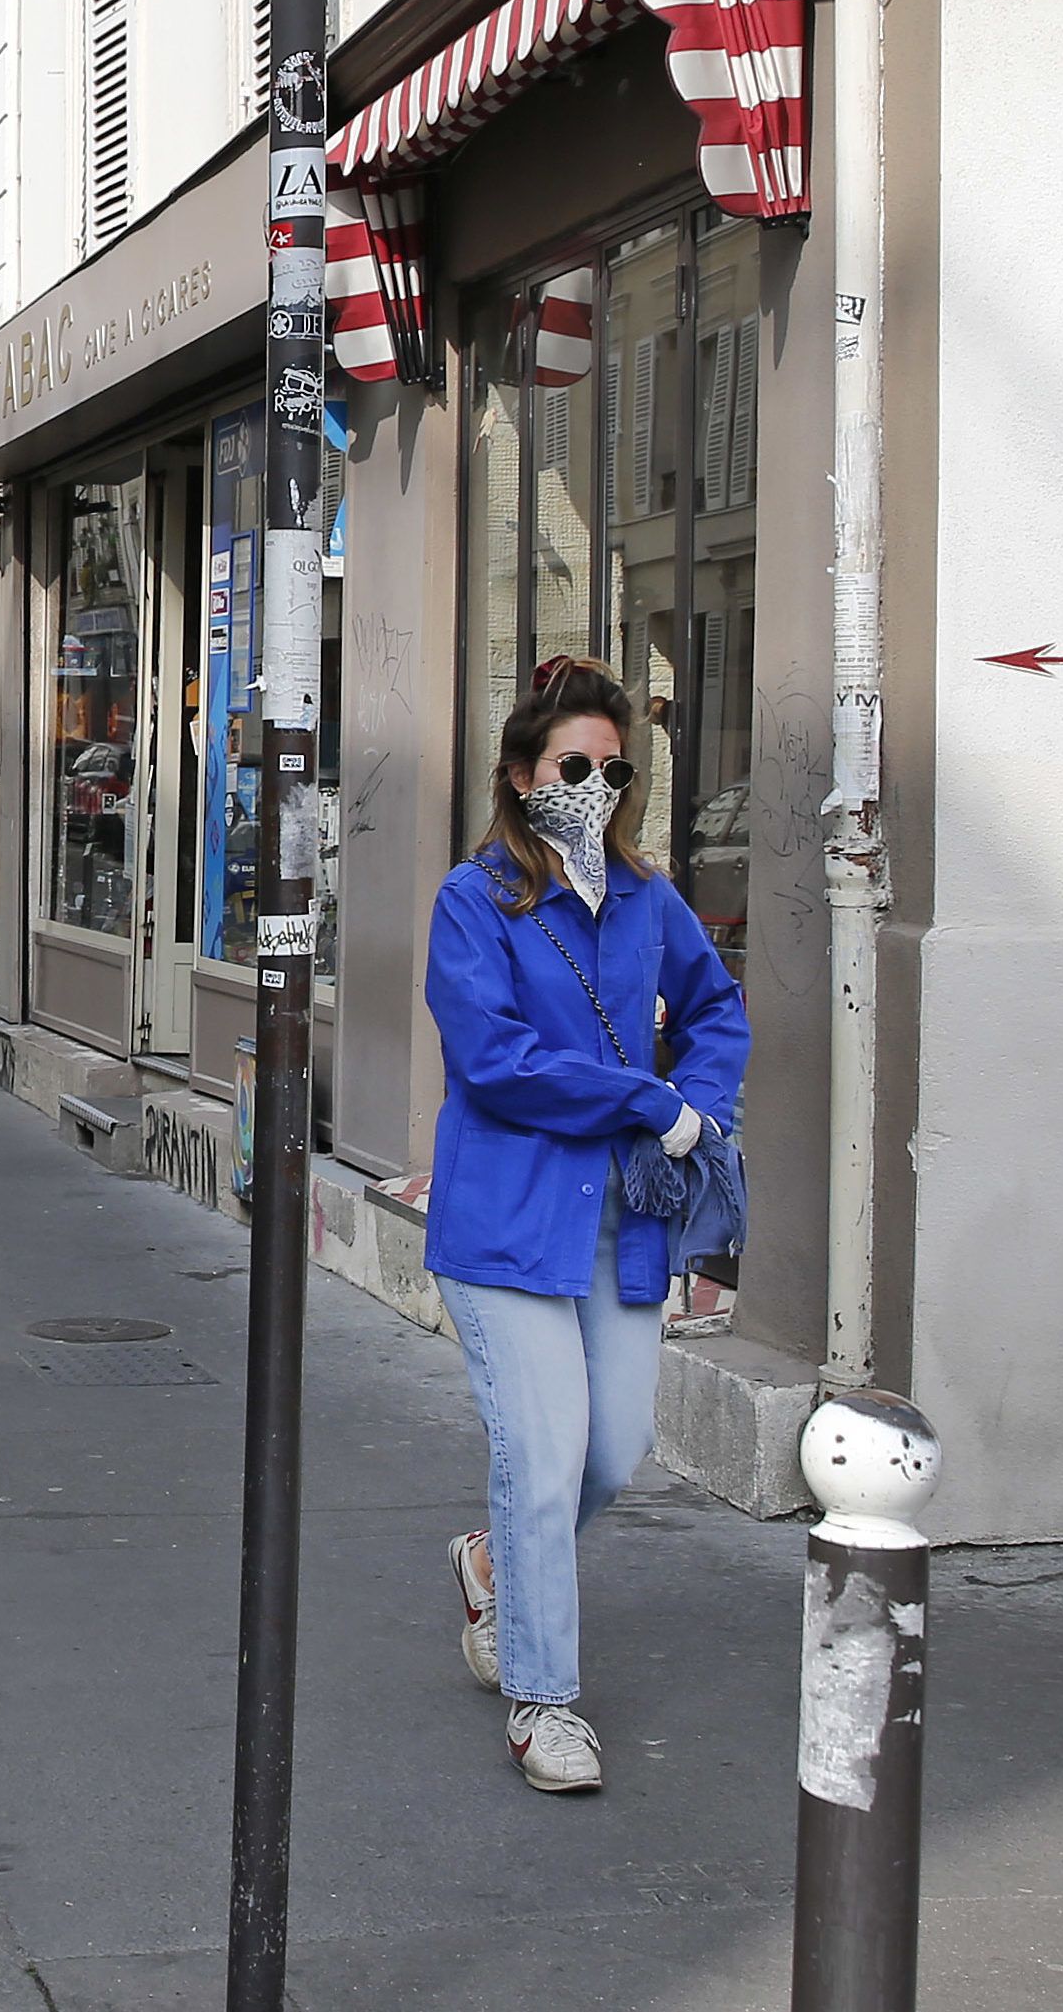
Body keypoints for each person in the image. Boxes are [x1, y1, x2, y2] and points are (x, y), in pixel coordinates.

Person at [425, 655, 746, 1795]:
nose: (595, 783)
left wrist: (700, 1099)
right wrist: (647, 1100)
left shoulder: (649, 899)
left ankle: (492, 1566)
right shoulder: (473, 902)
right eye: (573, 763)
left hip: (624, 1219)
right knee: (545, 1462)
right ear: (518, 774)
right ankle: (541, 1699)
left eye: (613, 767)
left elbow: (713, 1009)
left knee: (609, 1456)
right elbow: (494, 1061)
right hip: (508, 1221)